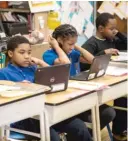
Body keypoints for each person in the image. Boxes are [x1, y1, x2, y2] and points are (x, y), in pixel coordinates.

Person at [0, 36, 92, 141]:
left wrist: (40, 63)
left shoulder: (33, 68)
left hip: (46, 112)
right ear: (11, 54)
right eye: (22, 53)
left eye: (29, 53)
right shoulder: (4, 73)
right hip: (26, 118)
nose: (26, 56)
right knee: (52, 137)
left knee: (79, 126)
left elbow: (56, 77)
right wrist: (17, 87)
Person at [43, 24, 116, 136]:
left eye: (74, 44)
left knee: (108, 112)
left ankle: (88, 136)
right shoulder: (48, 55)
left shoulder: (73, 53)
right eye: (70, 44)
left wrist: (77, 47)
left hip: (77, 96)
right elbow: (65, 63)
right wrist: (56, 47)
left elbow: (93, 61)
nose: (72, 47)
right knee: (79, 126)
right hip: (63, 100)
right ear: (59, 41)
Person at [80, 13, 127, 141]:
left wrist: (118, 34)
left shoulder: (112, 40)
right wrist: (103, 52)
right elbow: (84, 61)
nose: (114, 31)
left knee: (123, 98)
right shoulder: (91, 43)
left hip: (111, 77)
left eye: (115, 28)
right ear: (101, 29)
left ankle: (119, 130)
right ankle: (88, 133)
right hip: (94, 81)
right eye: (111, 29)